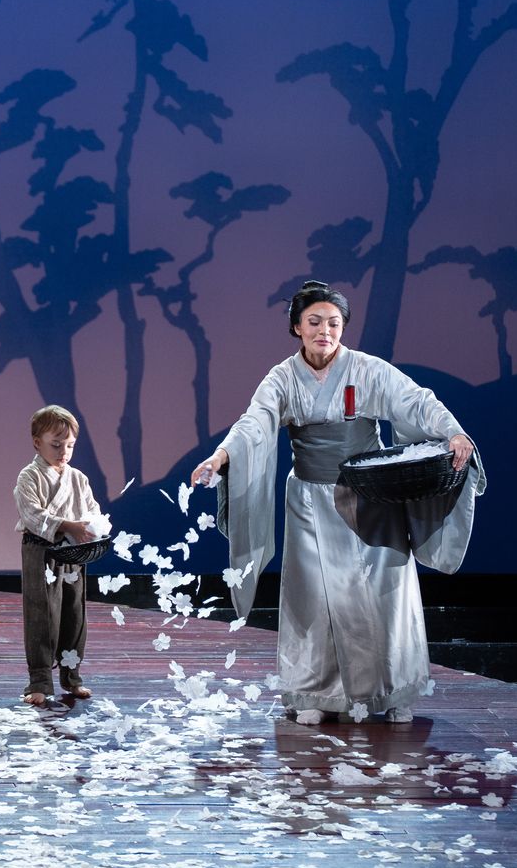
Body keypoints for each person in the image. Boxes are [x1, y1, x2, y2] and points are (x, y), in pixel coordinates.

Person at [190, 281, 483, 724]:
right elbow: (255, 424)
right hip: (309, 498)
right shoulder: (283, 377)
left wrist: (453, 431)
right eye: (314, 322)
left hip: (371, 494)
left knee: (381, 592)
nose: (324, 331)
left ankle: (392, 690)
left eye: (333, 323)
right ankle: (314, 693)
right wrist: (221, 456)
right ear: (296, 327)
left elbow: (415, 400)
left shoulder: (367, 369)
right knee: (314, 599)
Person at [14, 405, 106, 706]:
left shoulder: (78, 478)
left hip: (72, 551)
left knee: (74, 613)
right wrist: (67, 525)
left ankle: (72, 676)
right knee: (43, 614)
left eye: (69, 445)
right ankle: (39, 680)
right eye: (56, 444)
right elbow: (32, 515)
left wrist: (94, 527)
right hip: (41, 549)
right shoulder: (29, 477)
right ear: (36, 442)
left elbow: (91, 509)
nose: (63, 451)